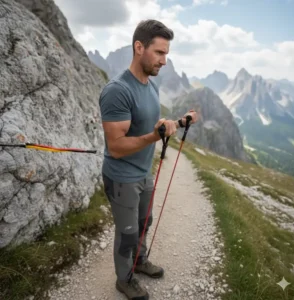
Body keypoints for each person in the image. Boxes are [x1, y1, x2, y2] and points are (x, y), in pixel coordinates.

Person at [99, 19, 199, 300]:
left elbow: (150, 125)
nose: (164, 61)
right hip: (122, 177)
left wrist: (179, 122)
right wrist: (156, 136)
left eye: (167, 54)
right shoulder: (118, 90)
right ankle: (124, 279)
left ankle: (139, 262)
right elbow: (116, 147)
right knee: (128, 232)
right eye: (159, 53)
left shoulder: (151, 87)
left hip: (144, 173)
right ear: (139, 47)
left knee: (145, 221)